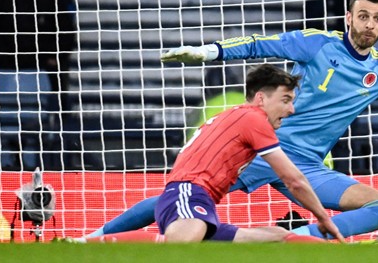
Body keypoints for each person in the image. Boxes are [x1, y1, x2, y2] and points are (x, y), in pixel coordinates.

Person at [87, 0, 378, 240]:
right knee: (183, 195)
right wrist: (210, 51)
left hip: (308, 166)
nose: (370, 25)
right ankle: (97, 238)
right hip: (261, 150)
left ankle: (303, 243)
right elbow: (262, 45)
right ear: (349, 17)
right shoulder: (317, 43)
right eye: (363, 16)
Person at [85, 65, 341, 243]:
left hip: (193, 199)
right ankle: (85, 245)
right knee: (182, 241)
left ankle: (336, 250)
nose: (292, 109)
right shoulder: (254, 119)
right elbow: (293, 179)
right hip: (189, 192)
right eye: (286, 100)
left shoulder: (234, 114)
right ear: (261, 99)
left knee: (276, 236)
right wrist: (322, 217)